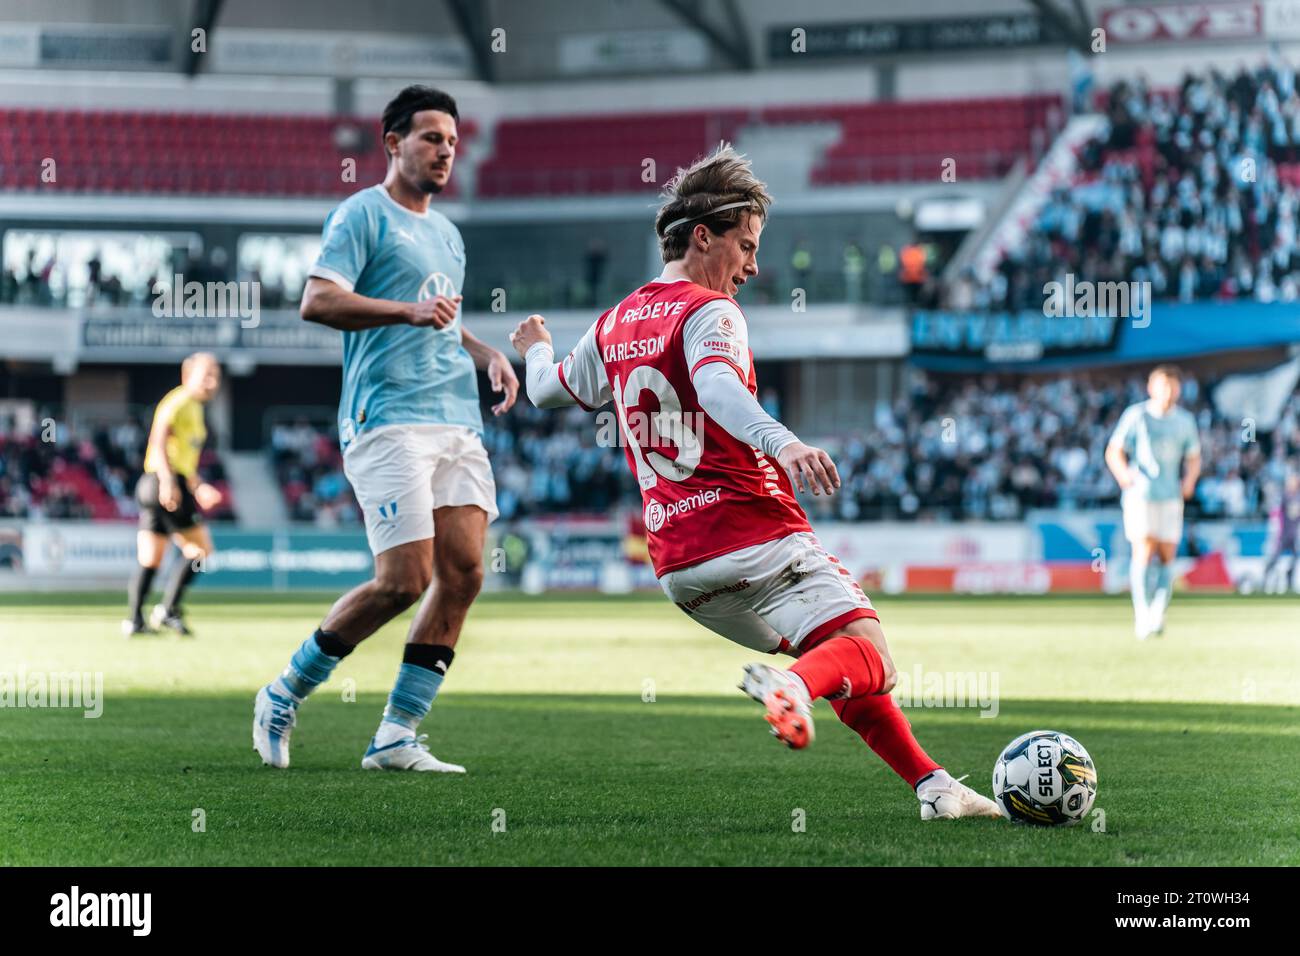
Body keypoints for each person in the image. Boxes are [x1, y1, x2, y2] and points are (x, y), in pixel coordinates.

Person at [510, 144, 999, 821]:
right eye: (746, 244)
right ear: (703, 237)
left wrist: (535, 342)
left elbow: (544, 390)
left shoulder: (613, 324)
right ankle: (790, 688)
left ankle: (935, 789)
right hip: (753, 532)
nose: (754, 264)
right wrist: (785, 442)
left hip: (681, 567)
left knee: (837, 659)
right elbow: (714, 387)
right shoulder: (709, 312)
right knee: (870, 655)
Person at [252, 85, 519, 773]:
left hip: (456, 421)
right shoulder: (361, 214)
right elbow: (318, 300)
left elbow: (442, 322)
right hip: (387, 418)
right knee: (404, 580)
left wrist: (487, 355)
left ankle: (396, 735)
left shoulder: (450, 234)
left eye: (453, 143)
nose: (444, 152)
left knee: (462, 575)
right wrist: (404, 312)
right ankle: (284, 692)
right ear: (393, 142)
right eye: (431, 138)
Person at [123, 352, 224, 637]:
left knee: (151, 558)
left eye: (215, 375)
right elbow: (158, 440)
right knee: (202, 551)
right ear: (186, 375)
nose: (212, 381)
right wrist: (169, 482)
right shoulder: (180, 401)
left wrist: (198, 485)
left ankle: (134, 620)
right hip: (164, 482)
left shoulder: (195, 407)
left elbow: (183, 458)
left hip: (154, 483)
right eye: (206, 375)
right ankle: (168, 609)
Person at [1105, 365, 1202, 639]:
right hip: (1141, 495)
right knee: (1144, 550)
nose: (1168, 392)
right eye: (1163, 386)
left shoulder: (1184, 421)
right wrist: (1124, 476)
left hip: (1170, 496)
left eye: (1172, 386)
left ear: (1179, 389)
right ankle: (1142, 613)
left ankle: (1159, 611)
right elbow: (1114, 451)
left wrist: (1189, 480)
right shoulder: (1137, 415)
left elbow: (1194, 456)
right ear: (1151, 388)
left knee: (1167, 554)